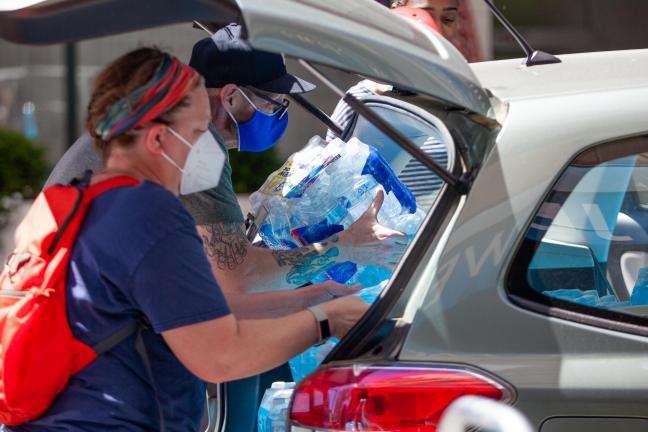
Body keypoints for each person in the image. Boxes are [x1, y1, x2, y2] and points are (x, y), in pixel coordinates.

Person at [10, 47, 368, 431]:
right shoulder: (151, 216)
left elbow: (202, 309)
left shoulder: (89, 198)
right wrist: (326, 321)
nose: (214, 153)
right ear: (159, 140)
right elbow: (221, 354)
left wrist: (306, 298)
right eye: (200, 134)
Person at [45, 24, 407, 319]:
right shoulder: (196, 144)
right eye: (275, 104)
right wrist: (344, 246)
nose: (280, 115)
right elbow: (240, 279)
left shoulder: (143, 125)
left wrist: (307, 301)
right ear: (232, 97)